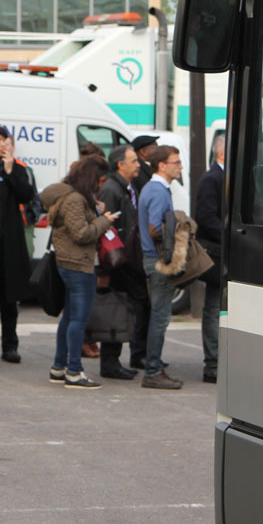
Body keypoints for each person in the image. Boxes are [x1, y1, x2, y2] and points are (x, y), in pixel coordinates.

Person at [40, 155, 118, 389]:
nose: (102, 184)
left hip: (71, 262)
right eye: (100, 179)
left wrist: (96, 211)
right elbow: (81, 233)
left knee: (70, 318)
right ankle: (74, 371)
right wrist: (105, 220)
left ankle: (58, 368)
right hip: (78, 264)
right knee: (78, 320)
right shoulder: (74, 199)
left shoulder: (75, 196)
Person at [0, 123, 35, 363]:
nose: (3, 144)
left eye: (5, 139)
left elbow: (26, 196)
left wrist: (11, 173)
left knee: (10, 298)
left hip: (10, 240)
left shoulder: (15, 168)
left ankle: (9, 345)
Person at [137, 144, 184, 389]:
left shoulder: (155, 188)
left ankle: (153, 367)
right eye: (176, 162)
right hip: (157, 261)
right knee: (160, 317)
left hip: (152, 258)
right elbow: (155, 228)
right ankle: (153, 371)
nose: (181, 166)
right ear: (161, 165)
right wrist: (173, 241)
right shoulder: (157, 190)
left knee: (158, 316)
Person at [98, 144, 145, 377]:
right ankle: (109, 362)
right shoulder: (111, 189)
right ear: (120, 164)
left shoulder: (126, 187)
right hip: (116, 261)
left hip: (127, 258)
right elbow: (107, 227)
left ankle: (114, 360)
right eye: (134, 161)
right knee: (116, 310)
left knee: (127, 307)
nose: (138, 165)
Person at [193, 133, 226, 384]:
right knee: (213, 308)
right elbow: (205, 218)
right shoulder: (212, 178)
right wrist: (230, 237)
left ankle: (219, 359)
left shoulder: (224, 177)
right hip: (216, 252)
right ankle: (212, 363)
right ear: (222, 153)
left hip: (225, 250)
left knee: (218, 308)